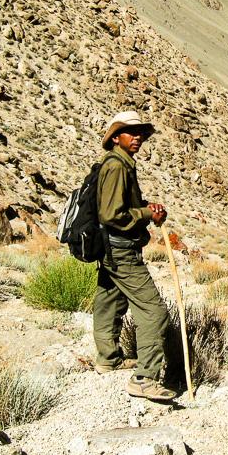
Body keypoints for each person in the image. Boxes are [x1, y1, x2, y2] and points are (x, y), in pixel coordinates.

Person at [92, 110, 175, 401]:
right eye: (131, 132)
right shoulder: (117, 166)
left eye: (141, 133)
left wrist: (145, 206)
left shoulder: (119, 163)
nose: (138, 137)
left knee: (109, 301)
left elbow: (119, 205)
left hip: (110, 248)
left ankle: (108, 358)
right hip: (121, 250)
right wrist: (147, 215)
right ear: (116, 137)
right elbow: (111, 213)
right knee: (153, 311)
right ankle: (144, 378)